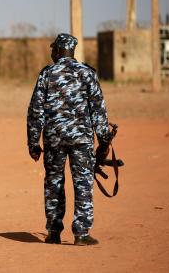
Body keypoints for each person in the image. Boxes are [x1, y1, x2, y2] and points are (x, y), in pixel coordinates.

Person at [27, 33, 112, 246]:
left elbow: (36, 110)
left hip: (54, 139)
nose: (52, 53)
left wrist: (33, 142)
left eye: (52, 49)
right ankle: (81, 233)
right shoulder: (87, 73)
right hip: (81, 140)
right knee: (83, 183)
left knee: (54, 184)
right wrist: (103, 139)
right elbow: (98, 110)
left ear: (57, 51)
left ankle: (53, 232)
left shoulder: (47, 74)